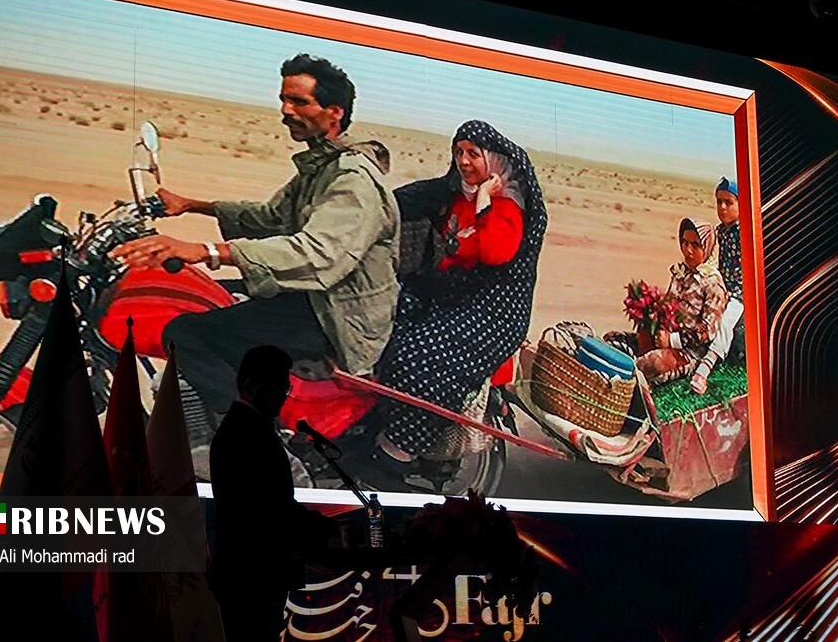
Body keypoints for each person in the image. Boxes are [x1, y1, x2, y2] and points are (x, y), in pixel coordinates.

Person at [112, 54, 400, 415]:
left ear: (334, 112)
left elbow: (318, 253)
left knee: (185, 333)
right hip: (315, 297)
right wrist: (193, 205)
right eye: (284, 100)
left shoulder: (352, 179)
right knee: (210, 296)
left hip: (338, 316)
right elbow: (272, 218)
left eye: (299, 101)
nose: (286, 110)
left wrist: (206, 251)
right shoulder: (322, 167)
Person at [363, 120, 547, 490]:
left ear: (494, 160)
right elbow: (415, 199)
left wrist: (484, 202)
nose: (463, 161)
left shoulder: (508, 205)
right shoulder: (457, 193)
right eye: (459, 152)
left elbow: (494, 253)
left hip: (491, 313)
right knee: (384, 318)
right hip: (451, 295)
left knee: (421, 355)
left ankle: (399, 451)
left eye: (473, 154)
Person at [208, 345, 335, 642]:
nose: (283, 397)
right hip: (251, 571)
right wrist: (322, 527)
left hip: (253, 569)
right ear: (252, 387)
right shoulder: (244, 432)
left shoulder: (250, 427)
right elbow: (267, 507)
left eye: (285, 389)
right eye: (279, 389)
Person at [636, 218, 728, 387]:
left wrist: (672, 340)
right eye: (685, 243)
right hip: (665, 337)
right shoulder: (681, 272)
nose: (688, 250)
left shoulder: (713, 283)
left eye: (695, 245)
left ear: (707, 247)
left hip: (689, 353)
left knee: (652, 363)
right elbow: (669, 305)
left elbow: (707, 332)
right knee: (619, 340)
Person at [691, 177, 744, 394]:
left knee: (725, 322)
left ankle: (704, 369)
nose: (722, 207)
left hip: (741, 293)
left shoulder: (746, 232)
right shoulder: (720, 231)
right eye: (719, 202)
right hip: (722, 286)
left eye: (728, 202)